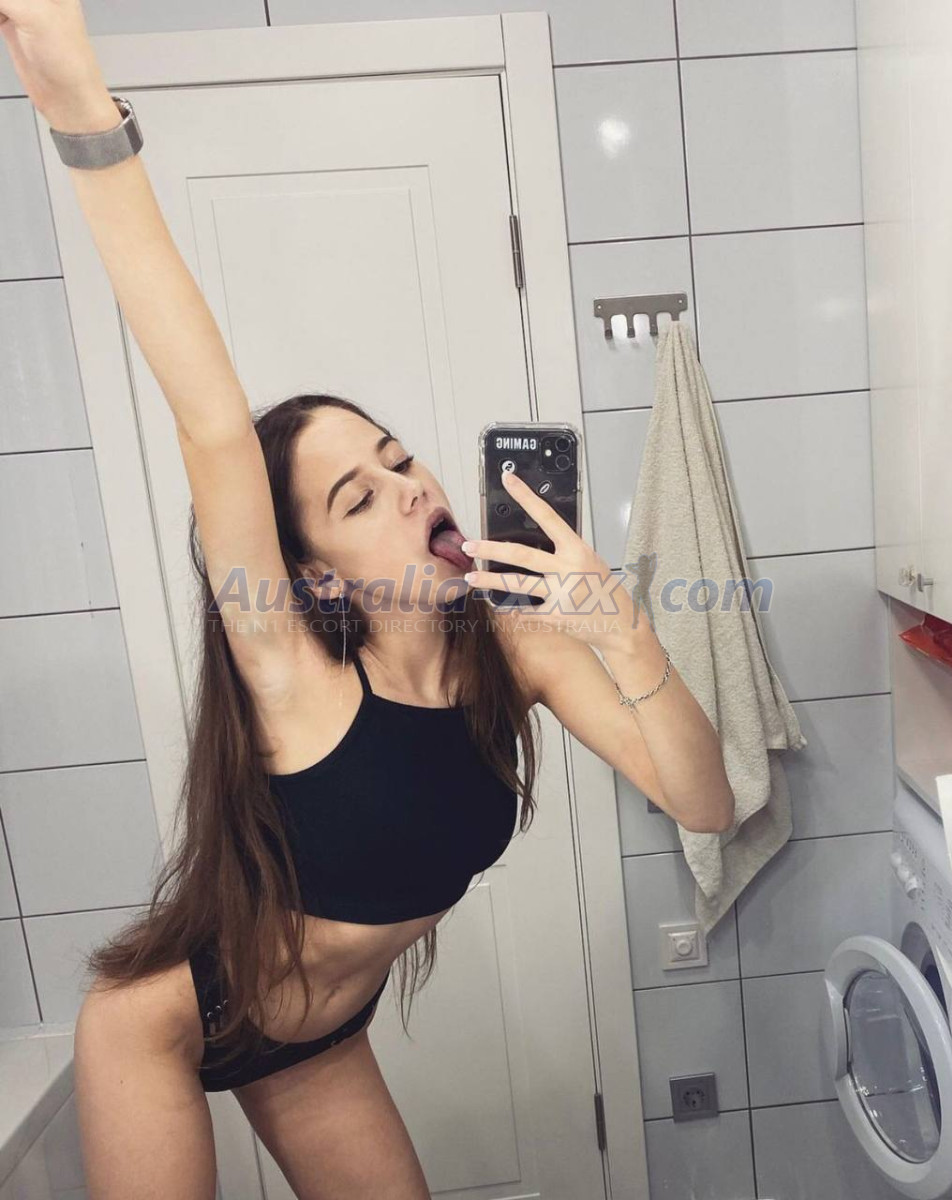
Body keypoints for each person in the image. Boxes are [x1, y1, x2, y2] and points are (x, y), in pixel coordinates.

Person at [0, 3, 735, 1196]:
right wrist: (86, 116)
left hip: (319, 1037)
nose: (410, 487)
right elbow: (209, 423)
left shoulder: (523, 654)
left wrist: (626, 631)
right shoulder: (291, 675)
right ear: (319, 572)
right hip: (167, 1021)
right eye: (359, 495)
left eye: (399, 459)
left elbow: (704, 802)